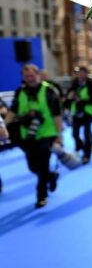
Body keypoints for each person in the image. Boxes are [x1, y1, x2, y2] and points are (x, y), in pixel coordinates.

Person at [4, 64, 63, 208]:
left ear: (38, 75)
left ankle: (41, 195)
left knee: (43, 164)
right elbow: (13, 111)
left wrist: (59, 136)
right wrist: (3, 125)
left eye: (31, 75)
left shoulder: (49, 91)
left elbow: (57, 115)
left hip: (47, 133)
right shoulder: (20, 92)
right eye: (26, 76)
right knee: (32, 167)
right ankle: (51, 176)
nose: (29, 79)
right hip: (27, 136)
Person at [64, 66, 92, 164]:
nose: (81, 75)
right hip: (76, 111)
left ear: (87, 74)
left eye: (83, 73)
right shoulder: (74, 84)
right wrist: (69, 99)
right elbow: (68, 97)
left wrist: (83, 101)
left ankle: (87, 155)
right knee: (74, 133)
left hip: (89, 111)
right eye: (79, 73)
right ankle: (81, 146)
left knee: (87, 131)